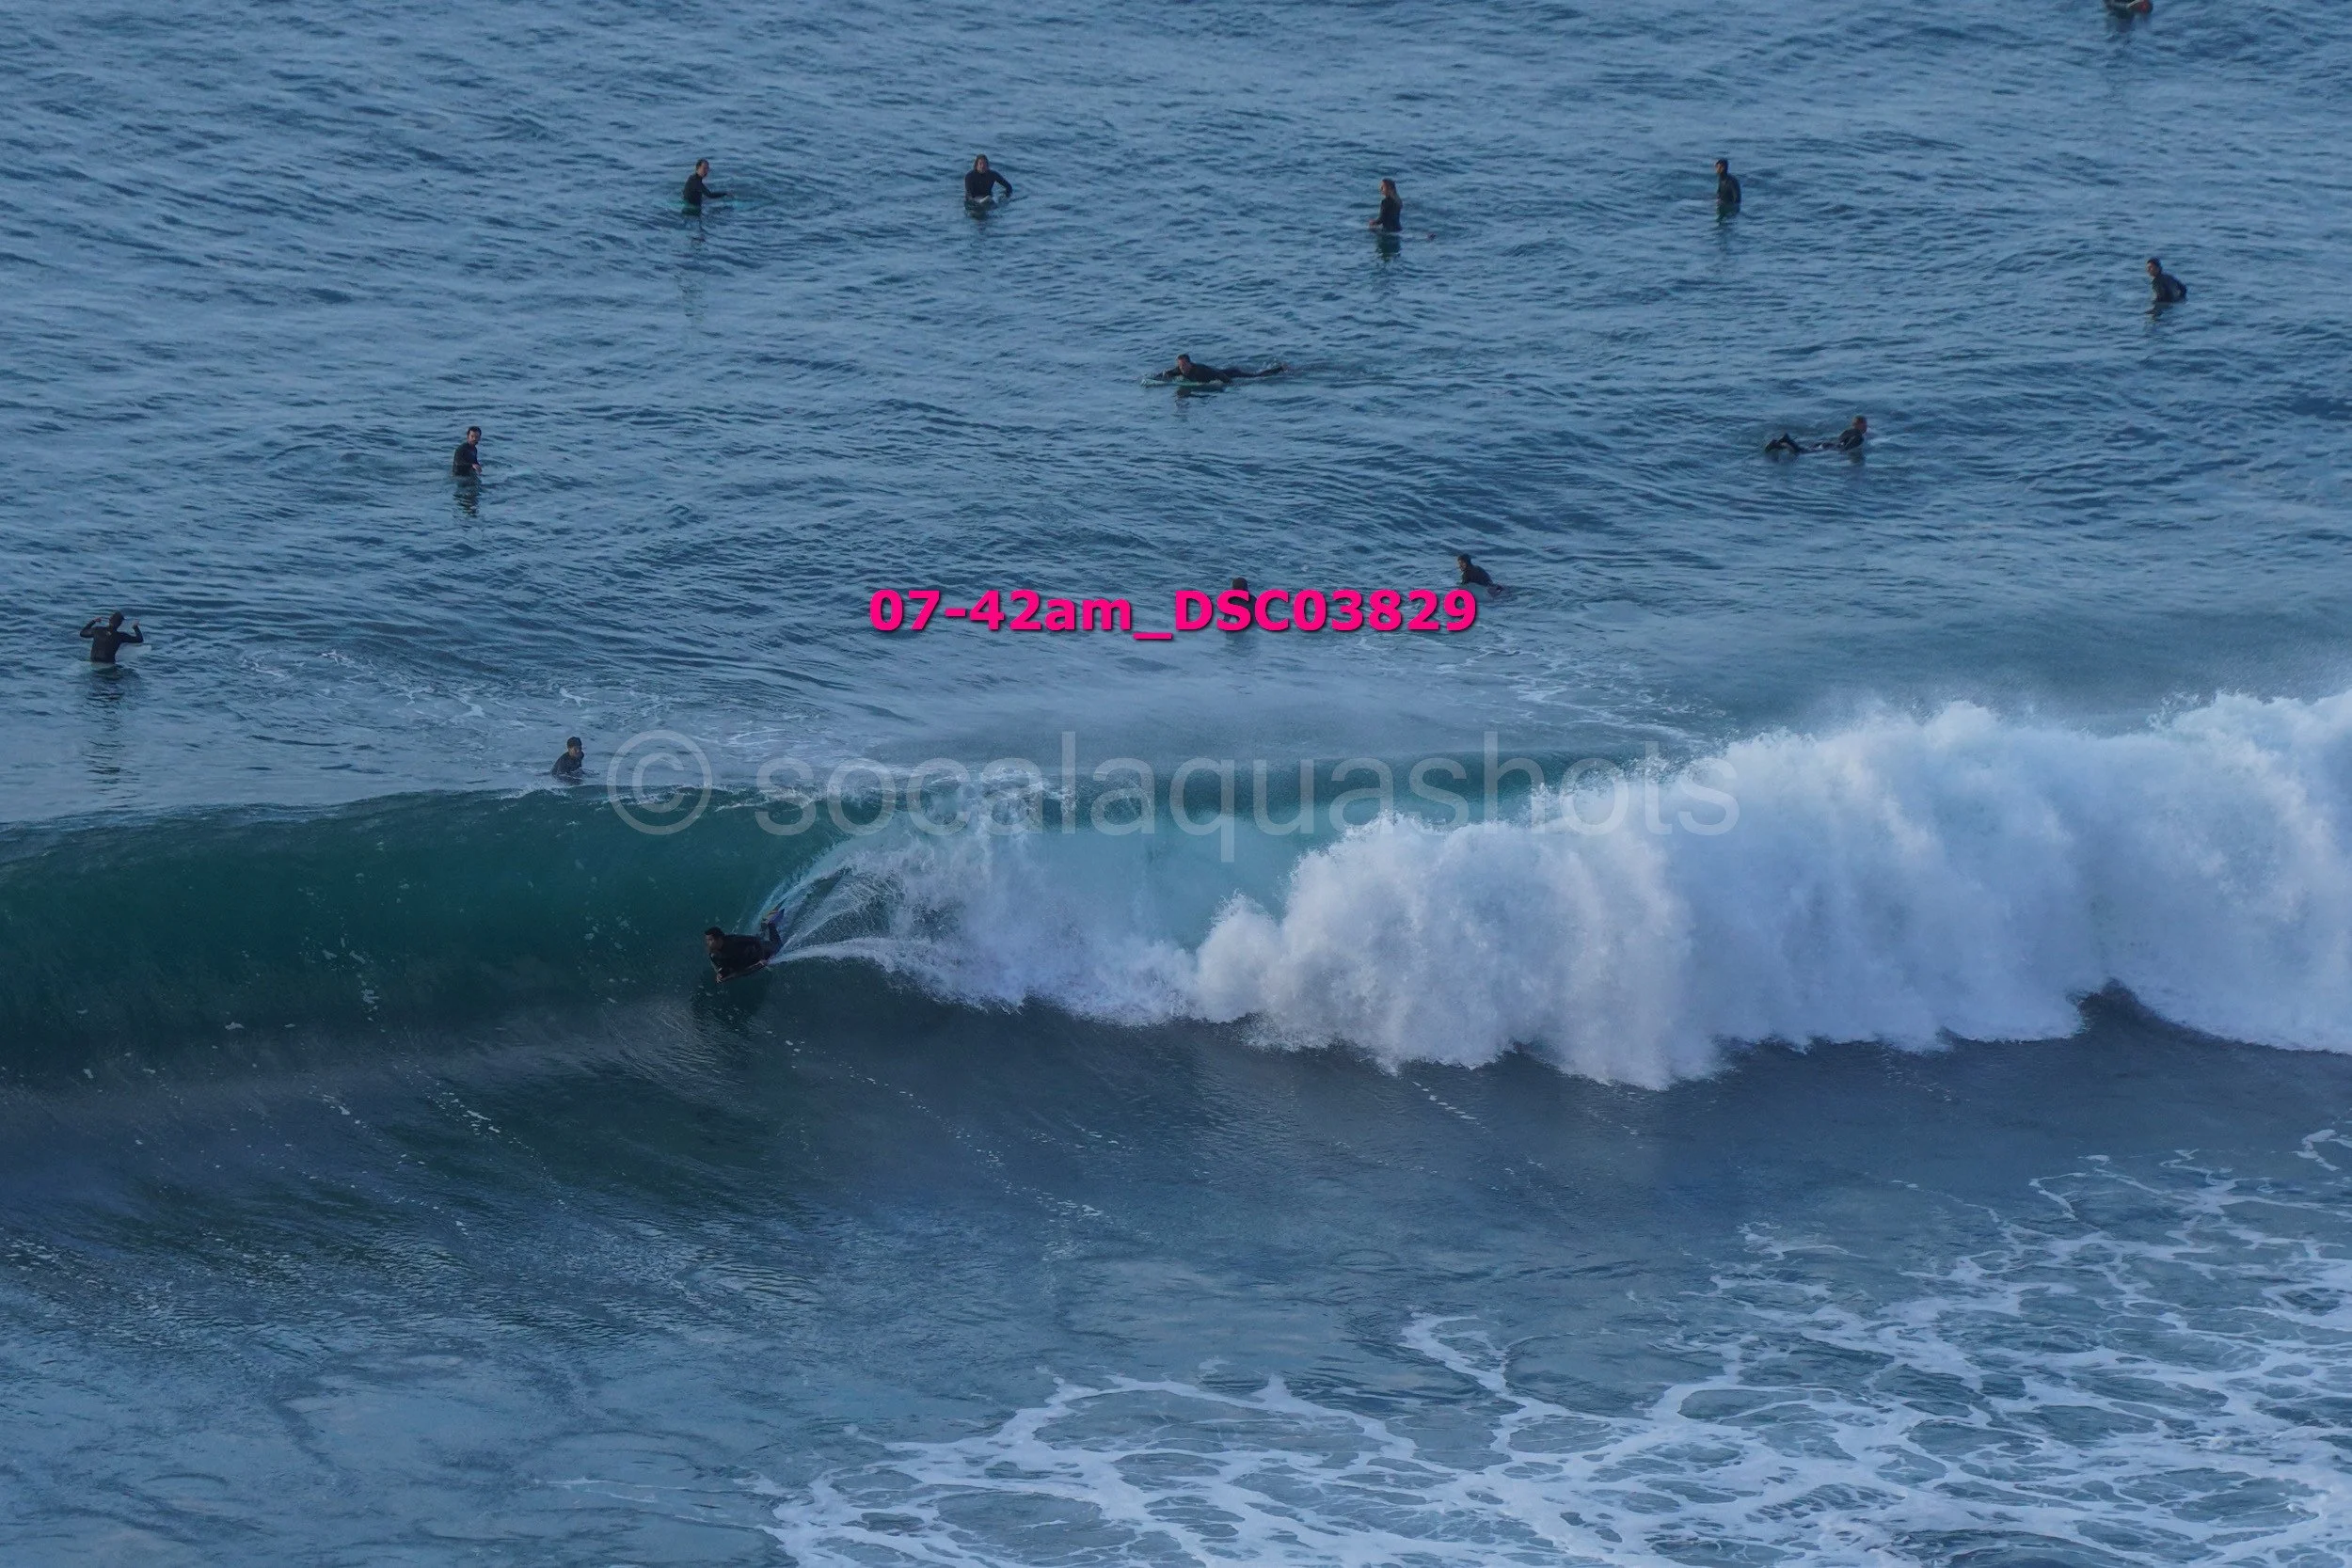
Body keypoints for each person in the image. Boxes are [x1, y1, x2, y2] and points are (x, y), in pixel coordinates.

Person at [706, 914, 784, 982]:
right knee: (758, 938)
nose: (707, 942)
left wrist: (761, 958)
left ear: (719, 939)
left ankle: (771, 924)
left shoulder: (733, 940)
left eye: (710, 940)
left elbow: (755, 941)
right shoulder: (713, 954)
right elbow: (722, 966)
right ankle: (762, 930)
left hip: (758, 951)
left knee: (778, 946)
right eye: (707, 940)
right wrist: (719, 974)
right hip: (746, 961)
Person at [1154, 354, 1287, 385]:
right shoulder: (1180, 369)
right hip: (1223, 371)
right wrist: (1154, 379)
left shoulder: (1200, 370)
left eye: (1184, 366)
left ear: (1190, 364)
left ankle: (1280, 369)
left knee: (1256, 376)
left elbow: (1219, 376)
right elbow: (1167, 373)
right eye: (1180, 366)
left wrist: (1231, 384)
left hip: (1230, 374)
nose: (1182, 369)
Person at [1766, 416, 1867, 455]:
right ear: (1860, 424)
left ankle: (1777, 445)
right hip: (1831, 447)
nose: (1866, 427)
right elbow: (1847, 446)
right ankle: (1787, 440)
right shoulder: (1858, 436)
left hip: (1826, 444)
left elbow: (1840, 439)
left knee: (1803, 450)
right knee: (1802, 452)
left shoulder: (1848, 431)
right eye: (1865, 424)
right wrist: (1842, 452)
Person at [79, 611, 144, 665]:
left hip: (93, 661)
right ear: (120, 624)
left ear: (109, 621)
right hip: (108, 664)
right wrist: (135, 627)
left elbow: (82, 633)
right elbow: (139, 639)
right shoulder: (121, 636)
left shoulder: (97, 630)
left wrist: (93, 621)